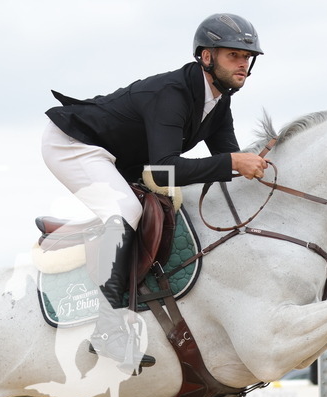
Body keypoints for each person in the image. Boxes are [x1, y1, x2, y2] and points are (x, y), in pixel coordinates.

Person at [42, 13, 270, 373]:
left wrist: (257, 166)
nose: (242, 64)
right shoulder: (173, 94)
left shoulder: (218, 103)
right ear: (206, 57)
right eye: (233, 55)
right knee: (126, 210)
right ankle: (107, 330)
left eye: (247, 57)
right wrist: (233, 162)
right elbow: (165, 169)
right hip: (75, 145)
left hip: (119, 157)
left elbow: (228, 167)